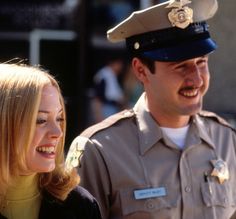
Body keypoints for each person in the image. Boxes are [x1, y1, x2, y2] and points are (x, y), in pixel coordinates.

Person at [66, 0, 236, 218]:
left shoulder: (227, 141)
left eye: (201, 62)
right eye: (180, 66)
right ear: (141, 70)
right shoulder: (99, 151)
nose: (196, 79)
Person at [0, 63, 102, 219]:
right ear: (4, 123)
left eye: (59, 118)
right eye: (40, 120)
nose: (58, 132)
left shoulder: (81, 206)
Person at [91, 57, 126, 123]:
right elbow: (97, 97)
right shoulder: (103, 76)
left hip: (113, 109)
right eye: (119, 64)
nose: (121, 67)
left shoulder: (113, 75)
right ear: (113, 64)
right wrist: (98, 115)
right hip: (105, 109)